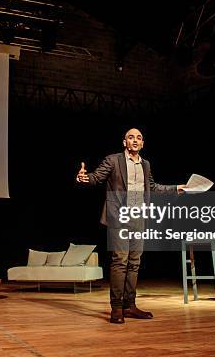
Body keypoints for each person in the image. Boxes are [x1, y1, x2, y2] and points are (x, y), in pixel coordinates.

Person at [76, 128, 185, 324]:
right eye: (131, 137)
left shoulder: (146, 164)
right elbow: (96, 177)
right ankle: (116, 308)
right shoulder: (113, 160)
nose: (135, 140)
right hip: (119, 215)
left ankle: (130, 305)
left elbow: (152, 187)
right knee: (120, 260)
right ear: (124, 142)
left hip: (139, 216)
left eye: (139, 138)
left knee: (134, 262)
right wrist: (84, 177)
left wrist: (176, 188)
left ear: (142, 144)